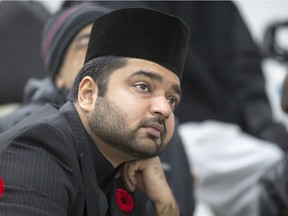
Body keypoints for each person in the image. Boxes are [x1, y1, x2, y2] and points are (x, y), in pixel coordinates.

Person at [0, 3, 195, 215]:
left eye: (172, 99)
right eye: (143, 86)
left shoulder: (133, 172)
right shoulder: (39, 146)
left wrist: (164, 201)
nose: (164, 109)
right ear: (88, 94)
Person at [0, 3, 110, 132]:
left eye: (108, 41)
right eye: (85, 44)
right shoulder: (27, 126)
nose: (101, 51)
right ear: (58, 75)